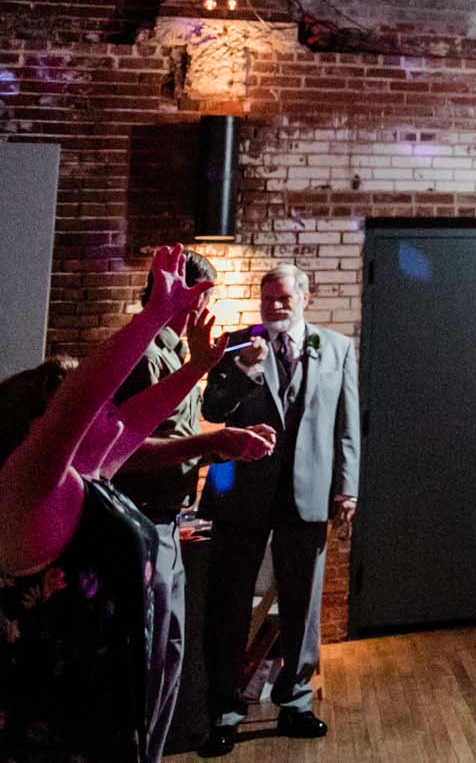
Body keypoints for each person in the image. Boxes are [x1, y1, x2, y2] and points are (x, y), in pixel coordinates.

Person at [0, 244, 222, 761]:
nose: (106, 408)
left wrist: (198, 366)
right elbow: (82, 399)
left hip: (106, 713)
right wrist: (154, 315)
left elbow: (136, 420)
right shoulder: (31, 489)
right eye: (83, 407)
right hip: (55, 727)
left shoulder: (88, 473)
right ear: (42, 426)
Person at [113, 251, 276, 763]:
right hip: (143, 525)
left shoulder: (178, 353)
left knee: (169, 660)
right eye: (205, 298)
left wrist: (230, 438)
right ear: (187, 297)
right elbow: (125, 450)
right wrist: (214, 442)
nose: (210, 308)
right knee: (149, 667)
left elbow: (182, 431)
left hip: (168, 523)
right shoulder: (144, 358)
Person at [197, 264, 360, 757]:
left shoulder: (337, 348)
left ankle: (296, 701)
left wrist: (346, 489)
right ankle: (224, 711)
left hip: (306, 494)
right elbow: (213, 411)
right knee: (227, 606)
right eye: (268, 298)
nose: (275, 306)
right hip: (241, 494)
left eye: (285, 298)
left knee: (303, 605)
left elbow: (347, 425)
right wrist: (245, 369)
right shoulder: (237, 342)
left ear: (305, 299)